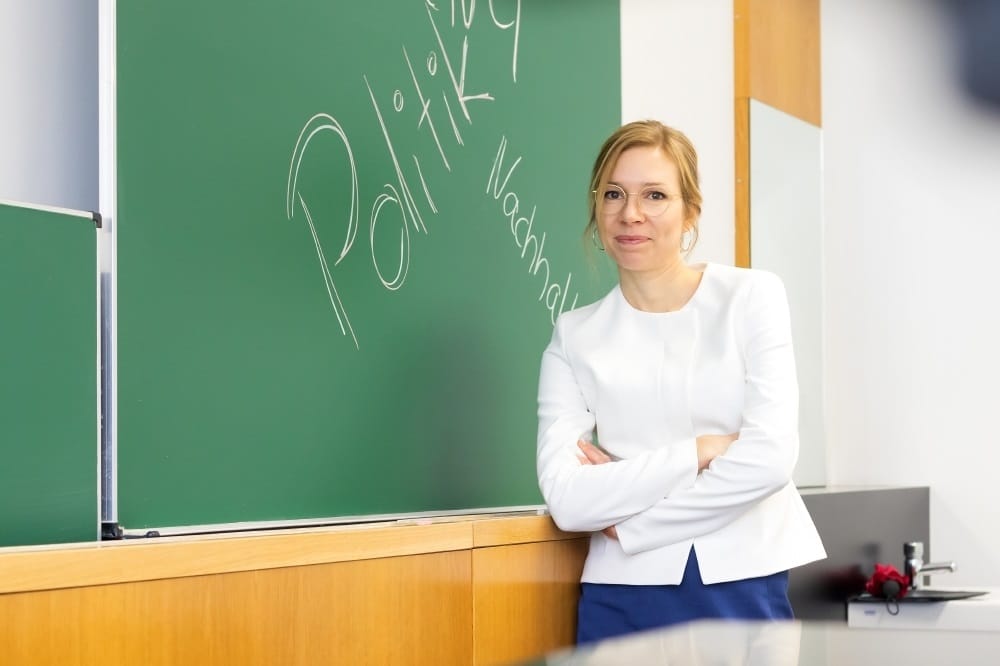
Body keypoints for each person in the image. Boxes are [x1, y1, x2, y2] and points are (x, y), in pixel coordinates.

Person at [535, 120, 826, 644]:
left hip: (741, 582)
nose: (631, 213)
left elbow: (769, 461)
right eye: (613, 194)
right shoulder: (575, 335)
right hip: (621, 594)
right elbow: (569, 499)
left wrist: (631, 523)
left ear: (691, 210)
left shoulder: (751, 297)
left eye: (655, 195)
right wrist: (700, 451)